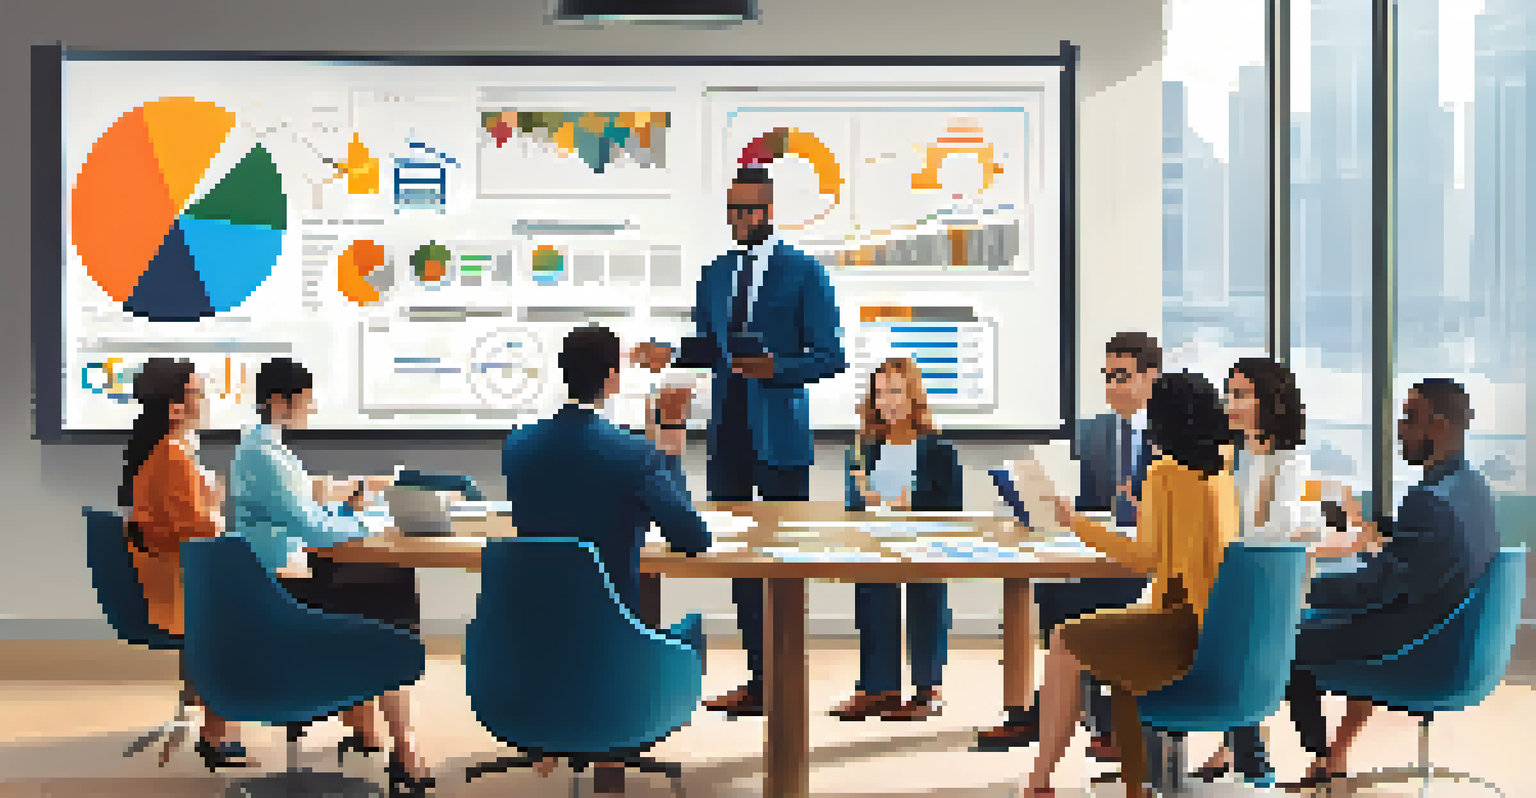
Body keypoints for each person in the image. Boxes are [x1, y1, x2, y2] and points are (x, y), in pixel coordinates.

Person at [631, 164, 848, 717]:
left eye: (747, 209)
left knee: (781, 561)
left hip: (780, 437)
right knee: (737, 561)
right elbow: (709, 347)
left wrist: (775, 368)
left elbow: (831, 357)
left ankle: (785, 680)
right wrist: (672, 354)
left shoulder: (805, 274)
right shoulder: (714, 273)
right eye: (731, 209)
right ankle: (758, 680)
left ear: (769, 211)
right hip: (726, 434)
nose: (738, 219)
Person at [502, 324, 711, 793]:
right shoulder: (634, 454)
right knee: (686, 630)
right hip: (613, 648)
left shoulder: (518, 446)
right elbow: (691, 537)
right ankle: (610, 751)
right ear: (613, 377)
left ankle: (561, 732)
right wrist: (670, 435)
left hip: (533, 642)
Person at [1026, 371, 1239, 798]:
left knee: (1064, 641)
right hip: (1220, 628)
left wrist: (1076, 524)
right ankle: (1133, 783)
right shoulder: (1221, 470)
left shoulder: (1165, 472)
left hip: (1180, 626)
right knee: (1120, 666)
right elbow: (1193, 545)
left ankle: (1040, 781)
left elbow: (1145, 559)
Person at [1280, 378, 1498, 790]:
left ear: (1437, 424)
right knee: (1321, 617)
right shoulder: (1472, 488)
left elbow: (1375, 590)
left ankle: (1317, 758)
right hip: (1452, 638)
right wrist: (1375, 534)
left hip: (1419, 649)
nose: (1400, 429)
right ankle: (1329, 760)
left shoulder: (1430, 500)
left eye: (1408, 417)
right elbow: (1420, 558)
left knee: (1287, 638)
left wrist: (1299, 586)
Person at [228, 358, 431, 798]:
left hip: (280, 577)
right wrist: (370, 524)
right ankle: (401, 745)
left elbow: (303, 518)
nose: (312, 406)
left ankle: (374, 732)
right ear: (280, 401)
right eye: (306, 397)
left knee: (385, 587)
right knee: (392, 595)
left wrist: (350, 511)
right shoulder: (266, 457)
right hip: (281, 590)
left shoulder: (263, 449)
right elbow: (313, 530)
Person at [977, 332, 1160, 759]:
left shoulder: (1172, 436)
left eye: (1123, 376)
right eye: (1108, 376)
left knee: (1097, 602)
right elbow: (1082, 501)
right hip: (1099, 551)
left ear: (1151, 377)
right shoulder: (1089, 432)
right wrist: (1045, 504)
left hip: (1148, 561)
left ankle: (1065, 715)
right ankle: (1081, 713)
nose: (1113, 386)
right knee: (1057, 591)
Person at [1190, 356, 1326, 786]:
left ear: (1270, 401)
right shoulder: (1227, 458)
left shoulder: (1290, 462)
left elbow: (1276, 528)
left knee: (1242, 638)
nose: (1231, 402)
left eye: (1242, 394)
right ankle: (1243, 751)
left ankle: (1247, 754)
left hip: (1267, 583)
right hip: (1228, 577)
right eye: (1230, 393)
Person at [119, 358, 249, 770]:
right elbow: (199, 532)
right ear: (176, 407)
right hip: (183, 583)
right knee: (257, 607)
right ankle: (219, 732)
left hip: (173, 574)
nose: (207, 401)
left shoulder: (165, 452)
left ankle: (217, 718)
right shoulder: (173, 457)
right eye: (200, 392)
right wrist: (219, 509)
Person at [830, 357, 961, 721]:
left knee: (926, 598)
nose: (886, 401)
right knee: (872, 594)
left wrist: (911, 504)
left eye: (895, 391)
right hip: (877, 541)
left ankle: (926, 690)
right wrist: (862, 499)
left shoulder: (938, 449)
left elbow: (953, 504)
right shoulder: (864, 447)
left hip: (925, 542)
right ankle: (879, 687)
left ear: (913, 395)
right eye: (880, 393)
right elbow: (853, 504)